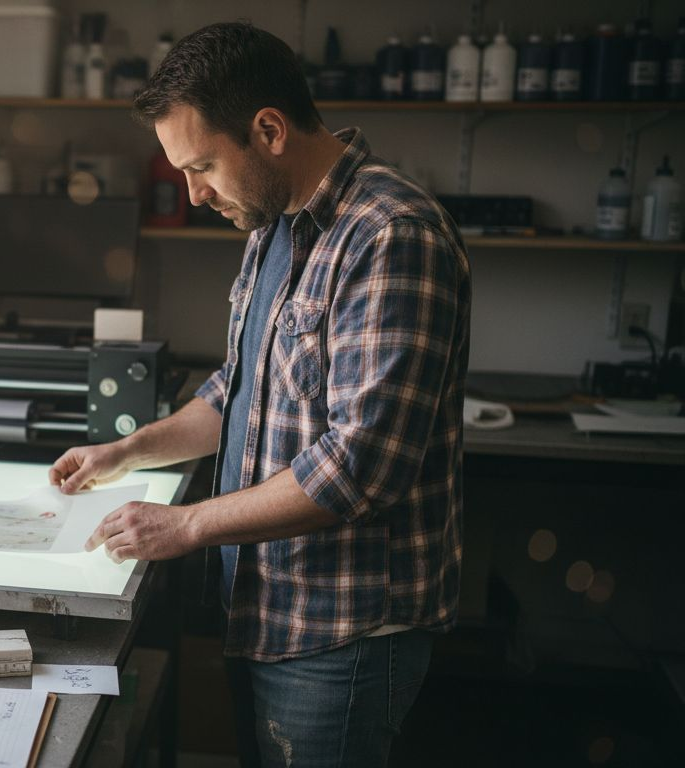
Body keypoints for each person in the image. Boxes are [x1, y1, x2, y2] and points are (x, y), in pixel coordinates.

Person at [49, 22, 471, 768]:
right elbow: (238, 388)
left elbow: (359, 467)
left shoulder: (391, 235)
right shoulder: (274, 225)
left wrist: (186, 525)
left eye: (203, 166)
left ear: (269, 131)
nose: (194, 193)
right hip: (268, 609)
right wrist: (129, 450)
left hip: (343, 632)